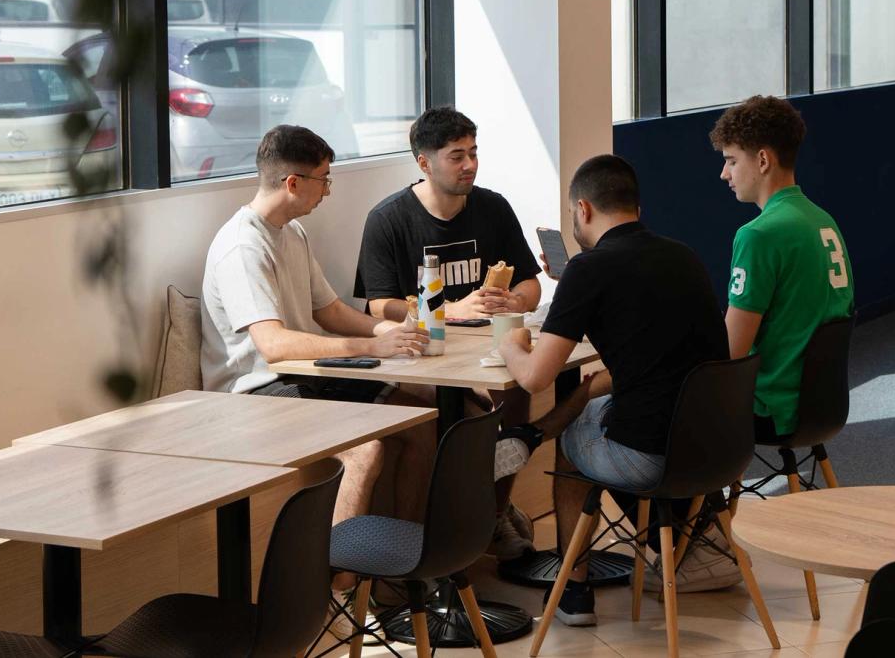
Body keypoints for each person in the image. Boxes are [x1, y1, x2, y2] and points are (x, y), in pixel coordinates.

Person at [495, 153, 728, 626]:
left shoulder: (590, 270)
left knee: (573, 443)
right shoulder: (683, 256)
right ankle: (530, 434)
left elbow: (535, 377)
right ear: (636, 208)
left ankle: (574, 591)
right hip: (716, 449)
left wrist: (509, 342)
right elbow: (650, 352)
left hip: (650, 458)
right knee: (591, 393)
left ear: (582, 210)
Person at [201, 124, 435, 538]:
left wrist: (396, 329)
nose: (327, 190)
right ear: (293, 182)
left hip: (303, 375)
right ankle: (342, 585)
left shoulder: (292, 232)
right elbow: (272, 346)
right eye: (324, 179)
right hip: (254, 394)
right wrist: (371, 344)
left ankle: (397, 568)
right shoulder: (242, 247)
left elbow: (329, 311)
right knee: (366, 449)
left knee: (424, 418)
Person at [354, 105, 544, 559]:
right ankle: (437, 544)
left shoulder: (493, 207)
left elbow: (532, 283)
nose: (470, 165)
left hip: (487, 349)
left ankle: (494, 516)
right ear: (424, 162)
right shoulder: (389, 219)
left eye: (474, 152)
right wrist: (448, 310)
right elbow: (377, 302)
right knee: (466, 410)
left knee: (518, 392)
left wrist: (516, 301)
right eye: (457, 156)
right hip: (425, 356)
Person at [710, 95, 854, 442]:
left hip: (770, 408)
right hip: (822, 405)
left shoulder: (758, 234)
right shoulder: (823, 220)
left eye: (731, 160)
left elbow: (730, 352)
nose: (724, 173)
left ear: (762, 160)